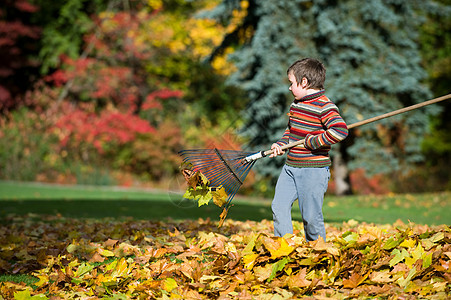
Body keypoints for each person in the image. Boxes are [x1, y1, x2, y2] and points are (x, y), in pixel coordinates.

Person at [269, 58, 348, 242]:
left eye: (291, 83)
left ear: (304, 82)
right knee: (278, 207)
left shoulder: (325, 106)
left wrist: (313, 142)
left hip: (313, 170)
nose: (289, 88)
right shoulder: (296, 104)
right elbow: (291, 131)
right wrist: (280, 144)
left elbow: (340, 131)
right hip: (290, 167)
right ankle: (285, 249)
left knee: (311, 218)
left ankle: (319, 254)